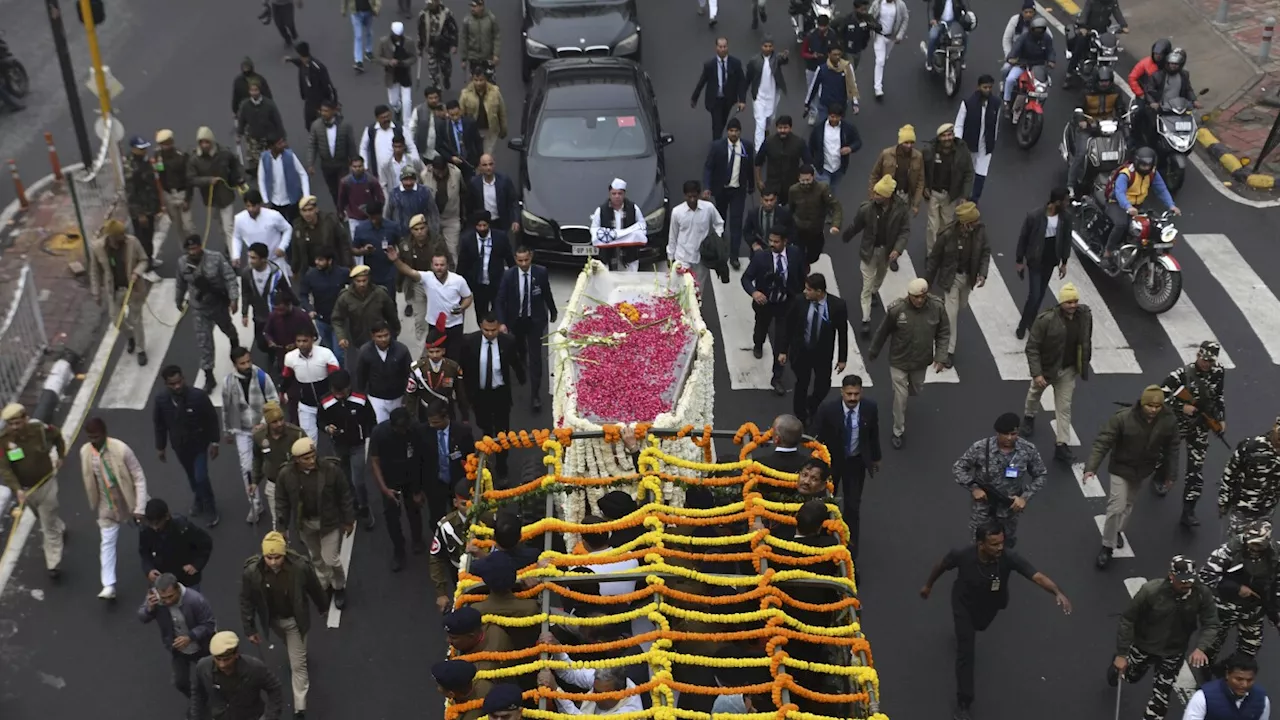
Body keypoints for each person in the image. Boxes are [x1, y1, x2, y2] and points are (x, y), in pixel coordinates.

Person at [919, 524, 1072, 720]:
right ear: (981, 544)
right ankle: (964, 702)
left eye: (1001, 543)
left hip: (990, 605)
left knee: (980, 626)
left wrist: (1057, 592)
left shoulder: (1008, 558)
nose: (1000, 547)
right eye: (994, 544)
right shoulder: (962, 555)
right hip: (963, 604)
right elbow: (940, 566)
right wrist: (928, 586)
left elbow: (1037, 576)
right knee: (966, 650)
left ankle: (967, 632)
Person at [1111, 555, 1219, 720]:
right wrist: (1121, 654)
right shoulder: (1151, 591)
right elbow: (1128, 620)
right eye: (1182, 580)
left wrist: (1201, 648)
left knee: (1161, 699)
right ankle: (1115, 667)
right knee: (1130, 676)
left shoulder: (1201, 594)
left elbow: (1211, 623)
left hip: (1173, 653)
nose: (1187, 584)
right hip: (1143, 646)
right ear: (1171, 576)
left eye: (1190, 580)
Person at [1084, 385, 1180, 569]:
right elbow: (1103, 442)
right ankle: (1107, 546)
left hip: (1142, 470)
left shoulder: (1168, 421)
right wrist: (1091, 467)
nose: (1153, 409)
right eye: (1150, 405)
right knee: (1116, 506)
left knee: (1128, 504)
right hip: (1121, 467)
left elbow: (1172, 449)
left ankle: (1118, 530)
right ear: (1142, 403)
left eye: (1157, 406)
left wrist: (1171, 474)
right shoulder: (1123, 418)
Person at [239, 532, 327, 717]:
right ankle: (297, 651)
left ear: (284, 553)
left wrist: (322, 606)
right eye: (268, 557)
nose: (272, 562)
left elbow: (314, 587)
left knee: (298, 666)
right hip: (273, 621)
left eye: (276, 557)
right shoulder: (252, 572)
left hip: (295, 621)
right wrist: (250, 628)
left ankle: (299, 708)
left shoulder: (300, 567)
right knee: (292, 647)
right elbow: (246, 600)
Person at [867, 278, 948, 449]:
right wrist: (874, 351)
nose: (919, 300)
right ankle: (898, 431)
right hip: (899, 359)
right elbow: (883, 331)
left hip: (920, 361)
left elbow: (943, 332)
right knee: (900, 397)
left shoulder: (937, 308)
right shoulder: (897, 310)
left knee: (916, 389)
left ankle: (901, 396)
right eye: (915, 297)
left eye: (922, 297)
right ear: (909, 295)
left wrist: (940, 357)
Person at [275, 437, 354, 609]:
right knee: (316, 557)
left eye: (313, 456)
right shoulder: (286, 475)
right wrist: (282, 527)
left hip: (329, 522)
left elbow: (345, 495)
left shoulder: (330, 470)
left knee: (331, 559)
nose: (311, 461)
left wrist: (349, 520)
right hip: (305, 523)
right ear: (296, 460)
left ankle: (339, 586)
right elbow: (281, 501)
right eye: (306, 458)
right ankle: (325, 584)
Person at [1157, 340, 1227, 527]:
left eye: (1210, 361)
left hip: (1200, 427)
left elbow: (1219, 396)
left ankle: (1188, 511)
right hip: (1178, 424)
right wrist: (1182, 406)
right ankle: (1160, 475)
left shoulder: (1218, 372)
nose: (1206, 364)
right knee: (1165, 456)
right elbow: (1160, 396)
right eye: (1204, 359)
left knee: (1195, 471)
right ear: (1197, 355)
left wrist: (1220, 418)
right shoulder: (1181, 375)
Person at [953, 413, 1048, 549]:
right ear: (997, 432)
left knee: (1005, 546)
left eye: (1013, 433)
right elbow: (959, 468)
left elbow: (1041, 475)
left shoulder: (1027, 450)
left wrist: (1024, 498)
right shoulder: (981, 448)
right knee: (979, 545)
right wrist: (974, 488)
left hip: (1008, 510)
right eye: (1005, 434)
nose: (1009, 438)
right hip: (983, 509)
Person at [811, 377, 880, 559]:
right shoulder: (828, 409)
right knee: (825, 500)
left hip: (855, 463)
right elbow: (816, 436)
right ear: (842, 392)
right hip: (831, 463)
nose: (852, 398)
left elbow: (873, 434)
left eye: (856, 394)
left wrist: (875, 457)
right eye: (849, 394)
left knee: (853, 506)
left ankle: (850, 551)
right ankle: (824, 537)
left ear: (861, 393)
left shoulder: (870, 408)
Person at [1021, 283, 1091, 463]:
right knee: (1034, 394)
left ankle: (1062, 445)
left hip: (1067, 370)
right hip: (1046, 369)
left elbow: (1085, 340)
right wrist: (1037, 374)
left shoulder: (1084, 316)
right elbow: (1032, 347)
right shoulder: (1046, 320)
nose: (1073, 305)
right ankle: (1029, 416)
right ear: (1061, 303)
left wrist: (1081, 364)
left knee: (1064, 407)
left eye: (1075, 301)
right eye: (1069, 302)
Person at [81, 417, 148, 599]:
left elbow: (138, 477)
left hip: (131, 503)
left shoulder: (121, 449)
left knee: (150, 534)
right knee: (107, 544)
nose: (93, 441)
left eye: (96, 436)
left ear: (104, 433)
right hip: (107, 507)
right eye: (90, 437)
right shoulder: (85, 452)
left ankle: (157, 566)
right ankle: (108, 585)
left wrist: (140, 507)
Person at [1199, 521, 1280, 664]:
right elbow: (1206, 575)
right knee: (1212, 645)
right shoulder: (1230, 550)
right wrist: (1237, 588)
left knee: (1250, 649)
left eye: (1259, 545)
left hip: (1254, 609)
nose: (1254, 548)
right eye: (1252, 543)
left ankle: (1230, 670)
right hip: (1226, 606)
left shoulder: (1276, 555)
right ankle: (1206, 671)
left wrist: (1275, 611)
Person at [0, 402, 66, 579]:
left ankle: (53, 564)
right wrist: (17, 489)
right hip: (27, 491)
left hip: (46, 484)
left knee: (47, 525)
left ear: (25, 418)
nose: (15, 427)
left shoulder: (40, 430)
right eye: (11, 424)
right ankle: (60, 527)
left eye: (18, 423)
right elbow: (5, 468)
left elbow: (58, 436)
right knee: (43, 517)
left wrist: (61, 456)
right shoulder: (4, 441)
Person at [139, 573, 216, 716]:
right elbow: (142, 617)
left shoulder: (195, 600)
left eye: (171, 597)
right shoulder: (155, 599)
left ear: (178, 590)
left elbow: (209, 624)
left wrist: (190, 636)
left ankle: (210, 700)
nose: (167, 601)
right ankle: (200, 700)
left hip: (202, 647)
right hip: (178, 649)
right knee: (180, 682)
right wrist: (149, 608)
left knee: (209, 678)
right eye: (164, 598)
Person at [153, 367, 222, 526]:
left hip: (199, 444)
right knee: (192, 477)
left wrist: (215, 442)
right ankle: (198, 498)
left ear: (184, 378)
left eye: (179, 381)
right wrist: (160, 447)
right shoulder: (161, 400)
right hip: (180, 446)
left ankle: (210, 506)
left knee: (201, 476)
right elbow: (159, 425)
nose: (177, 386)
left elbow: (211, 419)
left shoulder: (198, 396)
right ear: (166, 384)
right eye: (172, 384)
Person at [922, 201, 988, 368]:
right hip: (951, 278)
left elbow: (985, 251)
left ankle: (941, 324)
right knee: (951, 315)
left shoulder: (980, 231)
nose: (976, 224)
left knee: (961, 306)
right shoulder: (947, 235)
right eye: (973, 222)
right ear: (965, 224)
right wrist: (927, 282)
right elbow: (934, 259)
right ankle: (948, 352)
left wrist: (982, 272)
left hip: (968, 277)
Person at [842, 175, 909, 337]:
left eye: (878, 194)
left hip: (886, 251)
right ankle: (866, 319)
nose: (874, 196)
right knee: (867, 283)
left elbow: (904, 231)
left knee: (880, 276)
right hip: (869, 251)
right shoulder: (867, 209)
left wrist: (897, 250)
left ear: (887, 196)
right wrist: (847, 236)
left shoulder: (900, 209)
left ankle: (874, 292)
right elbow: (856, 225)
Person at [742, 228, 806, 396]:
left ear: (785, 241)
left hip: (786, 304)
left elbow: (801, 275)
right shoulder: (761, 257)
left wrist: (801, 297)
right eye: (770, 240)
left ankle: (777, 377)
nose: (772, 244)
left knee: (782, 340)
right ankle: (758, 343)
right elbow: (746, 278)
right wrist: (754, 292)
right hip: (765, 304)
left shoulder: (795, 254)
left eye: (776, 241)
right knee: (761, 328)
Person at [462, 314, 526, 477]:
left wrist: (522, 379)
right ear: (480, 326)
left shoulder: (508, 342)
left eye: (493, 330)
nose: (490, 334)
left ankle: (502, 467)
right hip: (480, 395)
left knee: (502, 433)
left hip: (500, 395)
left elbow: (515, 362)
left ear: (499, 327)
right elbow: (465, 368)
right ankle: (488, 457)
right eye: (486, 330)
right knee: (485, 428)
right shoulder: (471, 342)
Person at [495, 246, 556, 412]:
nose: (523, 264)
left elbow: (546, 293)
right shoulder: (508, 275)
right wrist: (501, 322)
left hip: (535, 320)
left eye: (526, 260)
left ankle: (535, 394)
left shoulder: (541, 272)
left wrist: (553, 310)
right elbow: (500, 300)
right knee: (519, 347)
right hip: (515, 320)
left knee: (536, 358)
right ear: (515, 259)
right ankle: (521, 360)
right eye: (520, 261)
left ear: (531, 257)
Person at [780, 273, 848, 423]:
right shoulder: (799, 302)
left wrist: (842, 358)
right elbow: (788, 327)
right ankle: (801, 415)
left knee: (823, 386)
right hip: (802, 351)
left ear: (819, 292)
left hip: (822, 354)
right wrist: (783, 350)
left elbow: (843, 332)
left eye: (809, 289)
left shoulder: (837, 306)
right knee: (801, 384)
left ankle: (811, 404)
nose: (805, 292)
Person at [177, 235, 242, 391]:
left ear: (201, 246)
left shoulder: (215, 258)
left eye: (195, 248)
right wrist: (178, 300)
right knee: (204, 342)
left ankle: (236, 350)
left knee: (228, 329)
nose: (193, 252)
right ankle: (209, 377)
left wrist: (233, 299)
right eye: (189, 249)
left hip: (217, 304)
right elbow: (180, 283)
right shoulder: (182, 263)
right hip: (199, 309)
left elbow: (229, 278)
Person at [222, 347, 279, 523]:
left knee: (272, 463)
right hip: (242, 431)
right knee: (246, 468)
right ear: (235, 364)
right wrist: (228, 430)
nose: (246, 365)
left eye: (248, 361)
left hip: (263, 429)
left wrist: (264, 421)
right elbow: (227, 407)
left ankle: (278, 500)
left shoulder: (262, 377)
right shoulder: (228, 382)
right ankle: (255, 504)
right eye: (242, 363)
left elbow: (273, 400)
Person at [386, 246, 473, 360]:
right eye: (436, 265)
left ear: (447, 265)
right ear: (432, 266)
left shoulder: (458, 280)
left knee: (453, 357)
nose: (439, 268)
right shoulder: (427, 277)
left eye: (442, 265)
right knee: (434, 356)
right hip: (434, 325)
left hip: (454, 325)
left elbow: (468, 297)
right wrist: (396, 260)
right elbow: (409, 271)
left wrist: (461, 308)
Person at [368, 407, 427, 570]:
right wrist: (384, 489)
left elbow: (421, 458)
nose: (404, 431)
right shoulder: (379, 433)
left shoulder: (415, 430)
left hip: (410, 476)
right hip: (390, 480)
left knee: (414, 510)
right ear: (392, 426)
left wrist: (419, 489)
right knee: (392, 518)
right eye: (400, 429)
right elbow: (375, 462)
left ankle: (417, 539)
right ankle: (399, 551)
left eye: (406, 428)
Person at [318, 370, 378, 529]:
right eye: (335, 391)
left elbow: (372, 421)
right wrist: (327, 428)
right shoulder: (325, 402)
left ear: (348, 387)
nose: (338, 395)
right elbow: (320, 421)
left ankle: (364, 507)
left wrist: (368, 438)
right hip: (338, 445)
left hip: (357, 446)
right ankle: (351, 504)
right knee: (343, 478)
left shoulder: (361, 400)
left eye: (341, 391)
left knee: (358, 480)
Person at [1103, 147, 1179, 269]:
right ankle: (1107, 253)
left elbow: (1161, 189)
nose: (1146, 168)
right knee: (1121, 224)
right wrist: (1128, 206)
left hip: (1138, 206)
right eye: (1143, 165)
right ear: (1137, 162)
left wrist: (1171, 205)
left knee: (1154, 225)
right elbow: (1119, 192)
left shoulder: (1152, 173)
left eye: (1149, 165)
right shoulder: (1127, 173)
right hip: (1117, 204)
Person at [90, 219, 151, 366]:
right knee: (116, 319)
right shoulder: (98, 247)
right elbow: (95, 271)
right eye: (120, 235)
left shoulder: (132, 242)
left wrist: (137, 272)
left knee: (136, 319)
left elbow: (144, 259)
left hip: (133, 288)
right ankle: (130, 336)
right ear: (111, 237)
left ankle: (140, 349)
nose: (124, 237)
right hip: (114, 290)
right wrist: (96, 292)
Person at [1014, 190, 1072, 339]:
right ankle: (1023, 325)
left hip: (1050, 260)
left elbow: (1066, 240)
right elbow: (1023, 238)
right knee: (1034, 295)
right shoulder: (1035, 216)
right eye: (1065, 201)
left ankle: (1030, 322)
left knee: (1039, 295)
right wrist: (1019, 260)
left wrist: (1064, 262)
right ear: (1057, 202)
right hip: (1035, 260)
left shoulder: (1065, 218)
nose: (1067, 204)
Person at [193, 631, 285, 720]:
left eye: (227, 659)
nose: (222, 664)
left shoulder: (254, 667)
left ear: (236, 654)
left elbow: (275, 688)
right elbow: (197, 695)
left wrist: (269, 717)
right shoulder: (203, 667)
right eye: (218, 659)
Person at [868, 127, 924, 268]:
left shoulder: (918, 157)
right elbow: (874, 174)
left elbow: (920, 181)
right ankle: (874, 250)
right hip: (886, 195)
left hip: (904, 197)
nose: (909, 145)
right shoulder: (886, 154)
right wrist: (872, 195)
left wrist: (916, 203)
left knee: (897, 228)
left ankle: (892, 255)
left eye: (911, 142)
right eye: (906, 142)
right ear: (900, 142)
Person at [1218, 418, 1280, 538]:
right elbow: (1230, 472)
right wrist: (1223, 500)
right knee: (1237, 544)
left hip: (1267, 509)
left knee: (1259, 544)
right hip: (1243, 508)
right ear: (1274, 427)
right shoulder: (1251, 446)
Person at [1066, 68, 1123, 194]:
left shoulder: (1116, 91)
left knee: (1124, 148)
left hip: (1109, 124)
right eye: (1102, 81)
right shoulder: (1086, 92)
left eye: (1107, 81)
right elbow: (1078, 109)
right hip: (1090, 126)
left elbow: (1120, 108)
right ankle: (1070, 184)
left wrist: (1122, 119)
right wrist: (1082, 121)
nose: (1105, 84)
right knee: (1081, 154)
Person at [252, 401, 307, 530]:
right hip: (274, 484)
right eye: (275, 422)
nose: (280, 424)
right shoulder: (259, 436)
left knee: (303, 517)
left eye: (281, 419)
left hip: (297, 483)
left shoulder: (297, 434)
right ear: (268, 423)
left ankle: (305, 538)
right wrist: (254, 481)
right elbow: (257, 459)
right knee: (279, 522)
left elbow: (310, 456)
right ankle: (283, 546)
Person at [139, 498, 214, 592]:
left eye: (157, 523)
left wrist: (196, 565)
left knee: (191, 605)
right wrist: (149, 569)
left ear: (166, 516)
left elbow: (205, 543)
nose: (155, 528)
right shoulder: (146, 531)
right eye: (151, 524)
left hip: (186, 580)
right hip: (163, 582)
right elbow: (145, 552)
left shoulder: (183, 528)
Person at [921, 124, 974, 256]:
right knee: (933, 226)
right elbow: (922, 171)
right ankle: (932, 254)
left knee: (947, 225)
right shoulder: (930, 150)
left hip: (950, 195)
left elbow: (969, 173)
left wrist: (964, 196)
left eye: (949, 135)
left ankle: (943, 250)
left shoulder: (962, 150)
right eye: (944, 136)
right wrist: (924, 187)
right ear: (939, 138)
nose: (947, 138)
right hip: (934, 193)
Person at [188, 127, 246, 244]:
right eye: (201, 142)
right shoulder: (194, 159)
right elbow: (191, 179)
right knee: (221, 228)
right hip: (211, 199)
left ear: (212, 141)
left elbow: (236, 164)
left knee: (228, 227)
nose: (204, 145)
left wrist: (238, 177)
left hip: (225, 196)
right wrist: (208, 180)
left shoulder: (224, 153)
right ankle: (228, 246)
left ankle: (234, 256)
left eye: (207, 142)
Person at [422, 404, 475, 533]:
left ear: (446, 417)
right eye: (430, 422)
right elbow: (420, 460)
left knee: (461, 515)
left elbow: (471, 457)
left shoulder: (463, 432)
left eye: (436, 422)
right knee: (436, 516)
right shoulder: (424, 431)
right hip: (435, 483)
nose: (432, 425)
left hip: (457, 481)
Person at [282, 328, 340, 443]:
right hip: (306, 405)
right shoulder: (290, 358)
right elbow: (286, 378)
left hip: (328, 403)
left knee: (336, 435)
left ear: (312, 340)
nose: (301, 344)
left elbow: (337, 376)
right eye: (298, 341)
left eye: (305, 341)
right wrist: (282, 392)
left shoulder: (325, 354)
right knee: (308, 441)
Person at [458, 211, 515, 324]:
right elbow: (462, 263)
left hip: (496, 282)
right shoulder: (467, 239)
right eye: (479, 226)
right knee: (481, 314)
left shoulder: (500, 237)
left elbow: (509, 258)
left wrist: (514, 277)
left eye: (485, 225)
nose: (482, 228)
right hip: (478, 285)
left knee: (498, 313)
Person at [332, 265, 400, 357]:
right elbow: (337, 319)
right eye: (358, 281)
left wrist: (394, 332)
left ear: (369, 279)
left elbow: (391, 315)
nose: (362, 284)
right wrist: (341, 337)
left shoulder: (380, 293)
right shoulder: (345, 297)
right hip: (357, 339)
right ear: (353, 281)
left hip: (379, 338)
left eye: (364, 280)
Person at [296, 249, 350, 365]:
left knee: (338, 353)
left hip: (339, 320)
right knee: (328, 352)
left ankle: (341, 379)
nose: (317, 262)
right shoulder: (311, 275)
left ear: (330, 261)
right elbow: (303, 294)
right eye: (316, 259)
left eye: (320, 260)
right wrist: (309, 309)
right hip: (322, 319)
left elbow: (355, 287)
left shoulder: (343, 273)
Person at [352, 320, 413, 423]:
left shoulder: (402, 350)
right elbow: (361, 375)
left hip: (398, 397)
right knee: (381, 426)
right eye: (379, 336)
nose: (384, 339)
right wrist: (362, 395)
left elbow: (409, 374)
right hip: (376, 398)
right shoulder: (365, 351)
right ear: (373, 336)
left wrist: (408, 396)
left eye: (386, 335)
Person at [429, 480, 475, 610]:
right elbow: (436, 558)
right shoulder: (446, 527)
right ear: (455, 503)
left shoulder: (488, 520)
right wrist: (441, 593)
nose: (470, 508)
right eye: (464, 504)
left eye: (473, 503)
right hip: (459, 575)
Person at [1139, 48, 1200, 147]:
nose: (1173, 66)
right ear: (1166, 63)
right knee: (1153, 129)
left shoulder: (1184, 75)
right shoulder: (1157, 76)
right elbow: (1149, 91)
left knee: (1186, 129)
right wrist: (1152, 103)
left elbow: (1188, 89)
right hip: (1161, 109)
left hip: (1177, 109)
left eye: (1175, 64)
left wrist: (1194, 100)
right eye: (1171, 63)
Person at [669, 180, 727, 281]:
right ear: (684, 196)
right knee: (682, 288)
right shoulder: (677, 212)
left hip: (701, 258)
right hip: (682, 257)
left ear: (699, 195)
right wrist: (670, 257)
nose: (692, 200)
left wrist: (716, 240)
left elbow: (719, 223)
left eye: (694, 196)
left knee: (698, 290)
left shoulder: (708, 208)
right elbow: (673, 235)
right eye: (689, 197)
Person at [1183, 654, 1270, 720]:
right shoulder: (1203, 697)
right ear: (1227, 674)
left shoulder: (1262, 699)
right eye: (1239, 679)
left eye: (1249, 680)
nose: (1245, 684)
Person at [691, 37, 746, 141]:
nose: (722, 49)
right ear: (716, 48)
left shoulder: (735, 63)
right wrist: (694, 98)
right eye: (720, 47)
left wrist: (742, 100)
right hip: (715, 99)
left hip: (728, 99)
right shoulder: (710, 65)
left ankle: (718, 138)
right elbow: (702, 82)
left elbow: (741, 81)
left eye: (724, 46)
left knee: (723, 121)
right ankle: (717, 145)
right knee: (717, 123)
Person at [954, 76, 999, 202]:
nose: (988, 90)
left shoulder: (995, 103)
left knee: (981, 173)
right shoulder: (968, 103)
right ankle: (962, 195)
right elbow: (959, 124)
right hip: (969, 143)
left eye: (990, 87)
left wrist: (993, 141)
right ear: (978, 87)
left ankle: (974, 200)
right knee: (967, 172)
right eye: (985, 87)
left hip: (985, 145)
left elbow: (996, 124)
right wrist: (958, 143)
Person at [240, 243, 291, 352]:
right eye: (249, 257)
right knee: (262, 344)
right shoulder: (246, 273)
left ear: (263, 259)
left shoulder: (276, 273)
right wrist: (244, 313)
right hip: (259, 317)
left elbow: (287, 291)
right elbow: (245, 294)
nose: (250, 261)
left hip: (276, 316)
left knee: (279, 343)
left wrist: (295, 308)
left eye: (253, 258)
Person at [787, 164, 842, 264]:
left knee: (814, 255)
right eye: (802, 180)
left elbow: (836, 206)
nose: (805, 183)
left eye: (808, 180)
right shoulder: (793, 190)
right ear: (798, 178)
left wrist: (835, 225)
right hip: (799, 230)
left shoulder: (822, 189)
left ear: (813, 177)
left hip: (815, 230)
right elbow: (791, 209)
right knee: (798, 257)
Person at [589, 179, 648, 272]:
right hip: (608, 252)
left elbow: (642, 225)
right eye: (614, 193)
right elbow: (594, 228)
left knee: (629, 282)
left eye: (620, 193)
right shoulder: (601, 210)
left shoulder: (633, 208)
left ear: (624, 194)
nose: (617, 196)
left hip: (629, 253)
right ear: (610, 194)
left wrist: (633, 234)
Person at [306, 102, 358, 206]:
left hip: (342, 163)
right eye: (322, 111)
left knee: (344, 187)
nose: (323, 113)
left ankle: (347, 208)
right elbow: (312, 145)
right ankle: (339, 210)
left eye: (326, 111)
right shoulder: (316, 126)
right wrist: (310, 163)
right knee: (333, 190)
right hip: (327, 165)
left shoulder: (345, 125)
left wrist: (354, 161)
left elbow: (351, 145)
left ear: (333, 111)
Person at [234, 193, 294, 282]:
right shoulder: (239, 219)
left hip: (275, 260)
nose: (251, 209)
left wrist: (282, 247)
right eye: (248, 206)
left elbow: (287, 228)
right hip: (255, 264)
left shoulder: (273, 215)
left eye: (253, 206)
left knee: (283, 292)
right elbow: (236, 237)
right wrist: (236, 255)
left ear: (260, 204)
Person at [398, 215, 440, 339]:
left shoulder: (436, 241)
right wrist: (399, 284)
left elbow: (447, 261)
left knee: (437, 318)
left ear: (427, 227)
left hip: (435, 283)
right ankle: (422, 354)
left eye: (422, 228)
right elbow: (402, 265)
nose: (420, 232)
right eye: (416, 229)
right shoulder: (406, 245)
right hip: (416, 284)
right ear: (411, 231)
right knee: (420, 320)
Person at [754, 115, 810, 207]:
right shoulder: (769, 142)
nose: (783, 130)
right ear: (776, 128)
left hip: (792, 185)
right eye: (780, 128)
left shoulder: (799, 142)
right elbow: (758, 162)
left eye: (785, 127)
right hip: (772, 185)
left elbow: (808, 163)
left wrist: (804, 180)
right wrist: (759, 180)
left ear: (790, 128)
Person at [352, 200, 402, 302]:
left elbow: (401, 244)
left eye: (376, 217)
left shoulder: (393, 227)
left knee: (390, 302)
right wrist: (363, 251)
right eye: (371, 218)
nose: (373, 221)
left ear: (381, 213)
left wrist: (397, 254)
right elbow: (353, 250)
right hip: (371, 274)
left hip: (389, 272)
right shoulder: (361, 229)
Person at [124, 135, 163, 267]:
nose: (144, 150)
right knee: (142, 238)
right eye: (141, 149)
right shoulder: (131, 166)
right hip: (141, 210)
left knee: (149, 235)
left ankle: (149, 259)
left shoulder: (144, 161)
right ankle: (143, 264)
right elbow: (131, 193)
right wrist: (140, 213)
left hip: (149, 206)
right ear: (134, 149)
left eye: (145, 148)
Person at [360, 105, 418, 192]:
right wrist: (365, 166)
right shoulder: (371, 130)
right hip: (381, 173)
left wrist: (414, 161)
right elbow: (363, 148)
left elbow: (411, 146)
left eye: (388, 116)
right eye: (383, 117)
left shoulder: (400, 129)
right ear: (377, 118)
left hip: (400, 168)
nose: (386, 119)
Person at [746, 36, 789, 151]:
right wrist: (742, 98)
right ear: (761, 47)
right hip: (759, 97)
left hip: (773, 95)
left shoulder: (776, 58)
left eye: (770, 46)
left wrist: (785, 56)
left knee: (769, 118)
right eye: (765, 46)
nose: (768, 49)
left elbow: (783, 60)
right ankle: (759, 150)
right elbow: (748, 78)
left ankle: (766, 131)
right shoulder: (754, 61)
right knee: (760, 123)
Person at [237, 81, 286, 179]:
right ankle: (259, 174)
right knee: (255, 159)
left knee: (271, 158)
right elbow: (242, 120)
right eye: (252, 90)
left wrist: (282, 136)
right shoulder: (245, 105)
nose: (254, 93)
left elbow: (277, 120)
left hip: (268, 137)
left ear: (260, 91)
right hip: (254, 137)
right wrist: (239, 134)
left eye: (256, 90)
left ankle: (273, 175)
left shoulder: (269, 104)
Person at [154, 129, 196, 244]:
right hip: (168, 194)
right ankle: (185, 250)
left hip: (181, 193)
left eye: (166, 143)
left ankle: (196, 246)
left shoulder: (182, 156)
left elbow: (189, 179)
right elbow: (159, 175)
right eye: (162, 144)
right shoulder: (158, 156)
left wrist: (188, 199)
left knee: (188, 226)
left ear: (172, 142)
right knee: (178, 226)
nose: (164, 147)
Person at [284, 42, 337, 133]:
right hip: (309, 101)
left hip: (320, 102)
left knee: (324, 125)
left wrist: (333, 103)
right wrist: (290, 60)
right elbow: (299, 62)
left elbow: (328, 86)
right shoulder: (303, 63)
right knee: (309, 124)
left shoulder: (317, 67)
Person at [806, 104, 861, 190]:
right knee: (823, 190)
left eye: (837, 117)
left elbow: (858, 142)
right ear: (828, 115)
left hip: (838, 169)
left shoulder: (848, 128)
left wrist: (850, 148)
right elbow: (811, 146)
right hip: (823, 168)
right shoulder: (819, 129)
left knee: (832, 190)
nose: (834, 119)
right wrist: (811, 164)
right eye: (832, 116)